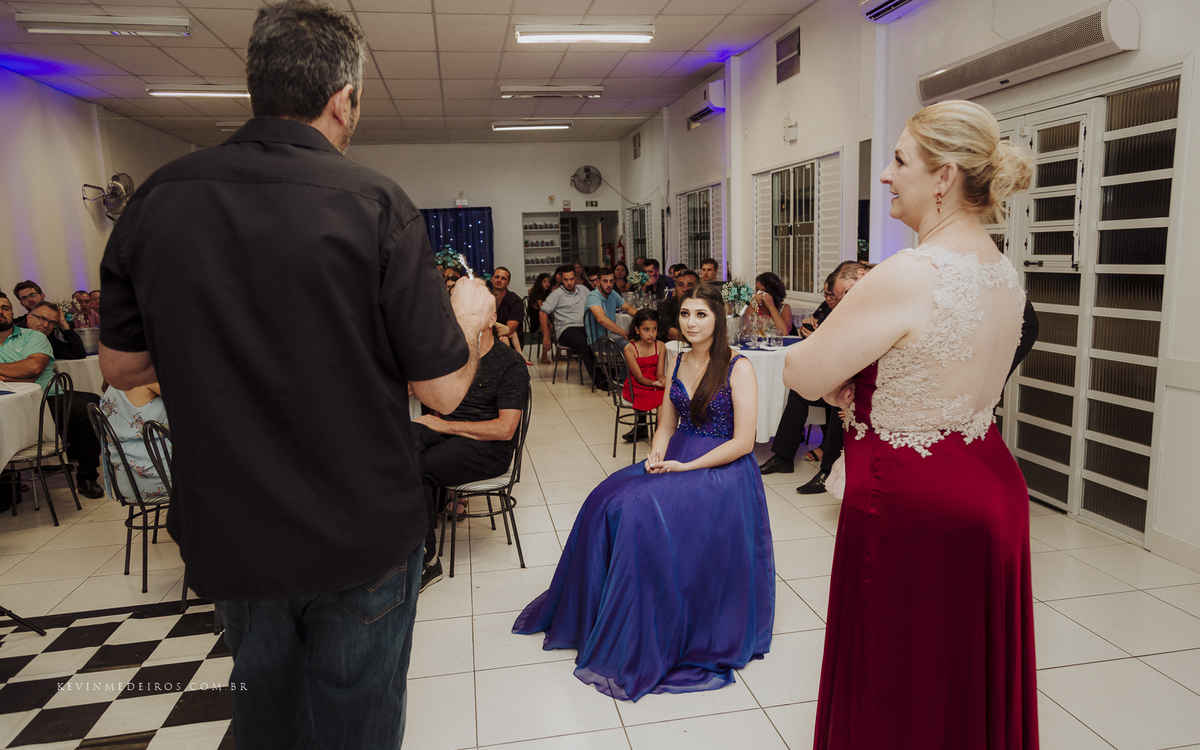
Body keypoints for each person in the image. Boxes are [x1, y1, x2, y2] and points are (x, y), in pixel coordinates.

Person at [96, 2, 498, 747]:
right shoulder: (376, 204)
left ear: (256, 86)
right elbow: (443, 390)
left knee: (264, 711)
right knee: (357, 719)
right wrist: (471, 322)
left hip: (234, 527)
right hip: (358, 527)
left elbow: (120, 367)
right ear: (342, 99)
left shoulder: (155, 201)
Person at [784, 100, 1038, 748]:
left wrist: (847, 376)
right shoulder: (1005, 275)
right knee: (961, 681)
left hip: (913, 504)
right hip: (990, 490)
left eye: (900, 160)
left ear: (945, 176)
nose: (886, 175)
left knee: (903, 685)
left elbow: (804, 374)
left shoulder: (910, 273)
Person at [514, 283, 775, 702]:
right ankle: (592, 614)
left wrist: (686, 466)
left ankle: (650, 620)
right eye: (686, 314)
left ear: (718, 319)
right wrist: (657, 453)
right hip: (676, 455)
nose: (691, 323)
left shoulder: (737, 366)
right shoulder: (678, 358)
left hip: (722, 470)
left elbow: (744, 442)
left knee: (637, 509)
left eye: (701, 315)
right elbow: (667, 425)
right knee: (604, 498)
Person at [413, 309, 530, 590]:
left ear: (491, 320)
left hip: (491, 449)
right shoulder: (455, 356)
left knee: (420, 469)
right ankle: (401, 536)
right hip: (452, 431)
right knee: (401, 442)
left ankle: (427, 561)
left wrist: (446, 427)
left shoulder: (510, 363)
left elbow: (505, 430)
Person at [0, 294, 105, 498]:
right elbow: (27, 372)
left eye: (5, 308)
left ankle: (87, 477)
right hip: (6, 405)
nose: (46, 325)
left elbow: (34, 367)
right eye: (42, 319)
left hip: (45, 399)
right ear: (29, 317)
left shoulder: (33, 337)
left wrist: (13, 375)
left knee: (83, 411)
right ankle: (8, 483)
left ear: (13, 313)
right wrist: (17, 374)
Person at [98, 382, 170, 503]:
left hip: (128, 482)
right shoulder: (149, 382)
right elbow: (189, 397)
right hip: (160, 477)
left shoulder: (112, 385)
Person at [541, 267, 605, 389]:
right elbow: (543, 312)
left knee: (604, 340)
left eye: (571, 279)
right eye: (566, 280)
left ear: (575, 278)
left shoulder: (583, 289)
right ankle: (600, 380)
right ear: (561, 279)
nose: (569, 283)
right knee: (585, 345)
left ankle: (612, 374)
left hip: (585, 326)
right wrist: (546, 336)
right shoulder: (556, 294)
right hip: (566, 328)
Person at [620, 308, 666, 443]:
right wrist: (654, 383)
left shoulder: (660, 346)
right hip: (637, 384)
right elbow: (639, 378)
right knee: (660, 395)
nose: (651, 334)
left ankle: (661, 431)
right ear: (637, 330)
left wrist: (662, 380)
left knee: (667, 392)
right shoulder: (630, 348)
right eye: (646, 329)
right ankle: (647, 429)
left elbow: (660, 374)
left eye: (654, 329)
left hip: (653, 382)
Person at [584, 267, 636, 352]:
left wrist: (645, 316)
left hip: (610, 335)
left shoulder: (612, 293)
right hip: (598, 340)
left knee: (640, 343)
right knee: (630, 346)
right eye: (605, 281)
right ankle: (626, 365)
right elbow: (601, 319)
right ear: (598, 282)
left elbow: (628, 308)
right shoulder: (593, 297)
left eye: (611, 281)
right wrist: (625, 333)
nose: (609, 284)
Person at [655, 268, 698, 342]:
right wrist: (693, 339)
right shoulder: (665, 306)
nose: (684, 289)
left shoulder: (705, 305)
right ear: (675, 288)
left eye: (690, 285)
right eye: (680, 285)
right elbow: (668, 331)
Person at [491, 266, 523, 354]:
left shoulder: (516, 301)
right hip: (489, 339)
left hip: (510, 342)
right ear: (491, 279)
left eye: (503, 278)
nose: (499, 280)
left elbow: (510, 330)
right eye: (496, 277)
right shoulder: (485, 298)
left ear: (508, 282)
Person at [528, 273, 552, 364]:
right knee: (549, 329)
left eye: (549, 282)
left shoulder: (542, 292)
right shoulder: (539, 294)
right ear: (540, 282)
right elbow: (543, 309)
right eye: (545, 281)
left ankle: (556, 353)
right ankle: (544, 356)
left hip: (541, 318)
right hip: (537, 321)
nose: (547, 284)